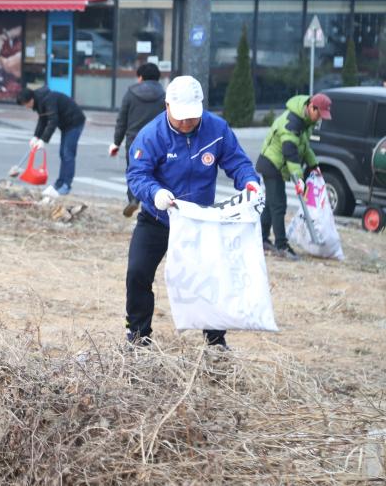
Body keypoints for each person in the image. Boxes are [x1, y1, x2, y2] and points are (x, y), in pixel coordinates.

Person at [124, 75, 261, 350]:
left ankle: (216, 341)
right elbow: (137, 175)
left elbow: (237, 161)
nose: (186, 123)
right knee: (138, 272)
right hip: (158, 218)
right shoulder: (151, 135)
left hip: (200, 219)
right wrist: (155, 193)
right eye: (180, 117)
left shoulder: (216, 129)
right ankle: (138, 337)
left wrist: (250, 182)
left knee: (210, 278)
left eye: (192, 117)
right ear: (167, 106)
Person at [256, 93, 332, 261]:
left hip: (277, 164)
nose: (319, 119)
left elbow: (304, 147)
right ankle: (281, 246)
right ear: (311, 107)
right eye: (319, 114)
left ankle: (261, 238)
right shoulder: (293, 122)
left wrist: (314, 165)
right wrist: (298, 180)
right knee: (279, 205)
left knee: (271, 204)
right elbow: (290, 153)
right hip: (271, 164)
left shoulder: (306, 121)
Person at [110, 63, 166, 218]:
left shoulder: (131, 93)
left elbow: (122, 120)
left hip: (134, 141)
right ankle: (154, 205)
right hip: (158, 141)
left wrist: (116, 142)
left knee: (135, 171)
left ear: (140, 77)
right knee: (157, 173)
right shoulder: (164, 96)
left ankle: (134, 199)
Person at [16, 86, 86, 197]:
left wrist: (43, 140)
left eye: (26, 104)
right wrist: (36, 137)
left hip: (74, 122)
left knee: (68, 154)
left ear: (31, 100)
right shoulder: (39, 101)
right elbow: (43, 120)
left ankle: (66, 185)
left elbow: (53, 121)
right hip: (66, 125)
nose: (27, 107)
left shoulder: (48, 100)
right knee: (63, 154)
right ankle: (60, 182)